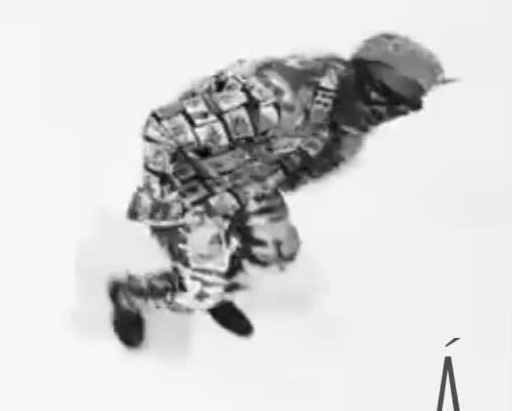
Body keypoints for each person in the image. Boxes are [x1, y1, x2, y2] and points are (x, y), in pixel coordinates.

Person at [107, 32, 452, 349]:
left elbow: (292, 176)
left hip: (243, 181)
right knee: (200, 292)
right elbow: (164, 128)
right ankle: (132, 296)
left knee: (273, 253)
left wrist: (253, 195)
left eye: (404, 105)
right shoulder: (278, 98)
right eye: (383, 92)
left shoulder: (345, 130)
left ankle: (219, 281)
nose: (385, 112)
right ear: (359, 72)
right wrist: (162, 196)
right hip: (187, 185)